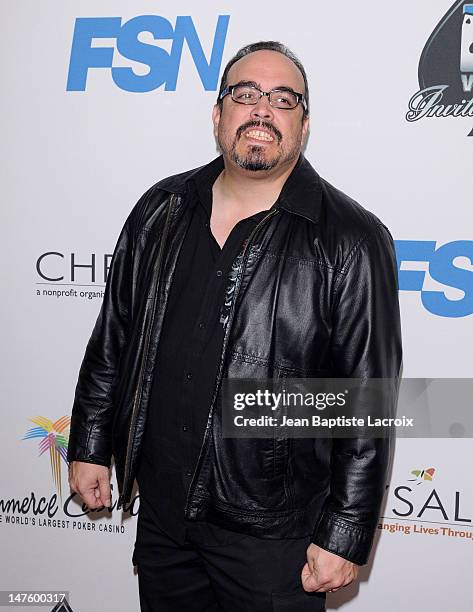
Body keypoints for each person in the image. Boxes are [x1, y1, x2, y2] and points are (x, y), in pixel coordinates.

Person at [67, 41, 402, 611]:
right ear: (219, 114)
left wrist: (344, 531)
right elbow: (113, 341)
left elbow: (366, 399)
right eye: (245, 95)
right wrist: (92, 444)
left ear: (304, 123)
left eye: (282, 98)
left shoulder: (350, 238)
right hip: (165, 520)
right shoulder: (161, 208)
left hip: (274, 538)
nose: (262, 110)